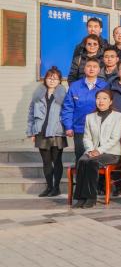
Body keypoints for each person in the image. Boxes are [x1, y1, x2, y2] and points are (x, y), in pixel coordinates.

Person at [70, 90, 121, 209]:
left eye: (104, 98)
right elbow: (86, 137)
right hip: (92, 151)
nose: (101, 101)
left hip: (111, 153)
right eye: (98, 98)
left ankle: (91, 198)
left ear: (110, 101)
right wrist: (90, 150)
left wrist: (98, 151)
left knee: (91, 162)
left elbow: (115, 138)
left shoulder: (118, 116)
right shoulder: (90, 117)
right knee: (82, 161)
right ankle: (80, 198)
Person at [27, 67, 67, 197]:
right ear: (45, 79)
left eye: (55, 78)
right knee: (46, 161)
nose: (52, 80)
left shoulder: (63, 95)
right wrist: (31, 131)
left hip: (57, 132)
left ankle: (56, 187)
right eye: (49, 77)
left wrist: (67, 128)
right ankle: (49, 187)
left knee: (57, 160)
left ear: (59, 81)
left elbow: (67, 112)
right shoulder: (38, 94)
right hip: (41, 131)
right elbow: (31, 114)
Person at [61, 57, 109, 161]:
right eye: (89, 66)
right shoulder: (75, 86)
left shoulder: (105, 86)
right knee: (80, 157)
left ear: (99, 69)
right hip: (80, 128)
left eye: (95, 66)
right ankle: (79, 172)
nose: (91, 69)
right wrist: (68, 126)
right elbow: (68, 107)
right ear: (84, 68)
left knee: (97, 158)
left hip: (99, 128)